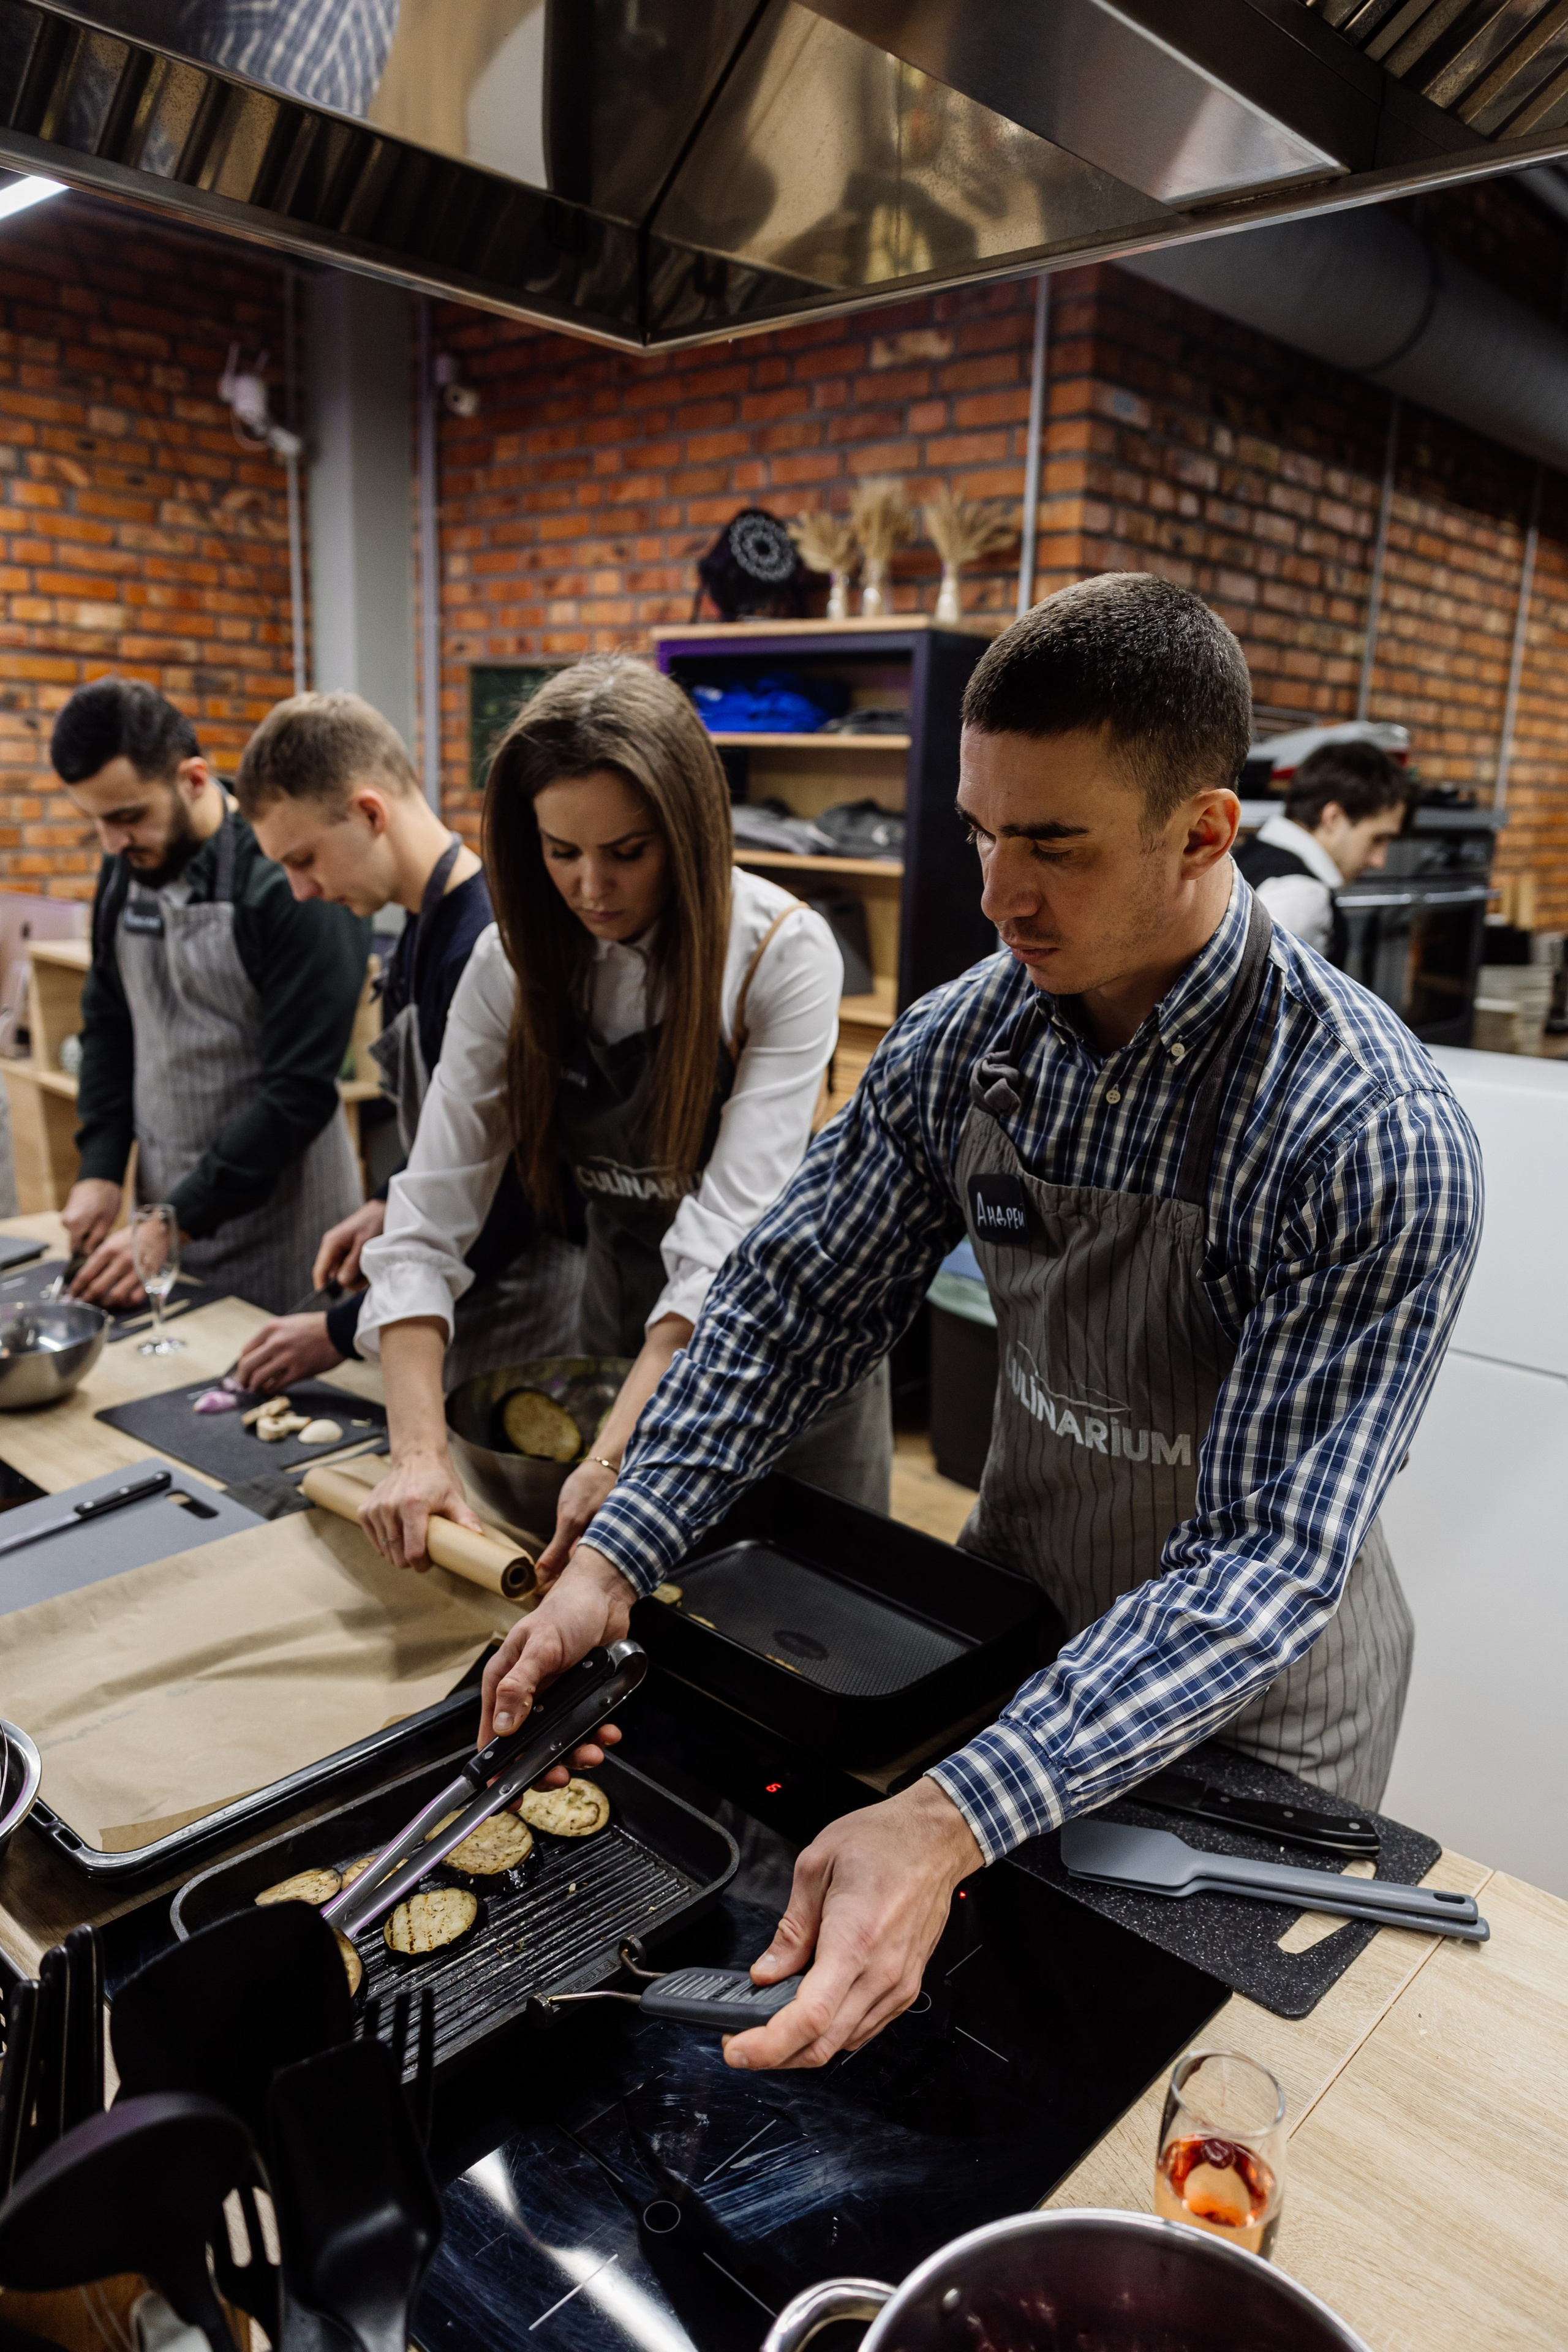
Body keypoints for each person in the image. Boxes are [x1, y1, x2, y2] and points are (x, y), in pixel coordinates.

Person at [477, 575, 1482, 2073]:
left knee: (1171, 2094)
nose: (999, 892)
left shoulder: (1359, 1132)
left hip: (1255, 1714)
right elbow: (791, 1302)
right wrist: (619, 1551)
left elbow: (1263, 1559)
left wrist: (949, 1810)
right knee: (986, 2057)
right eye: (978, 831)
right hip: (1016, 1628)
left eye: (1053, 842)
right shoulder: (973, 1036)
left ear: (1203, 830)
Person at [355, 655, 893, 1574]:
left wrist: (613, 1459)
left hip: (785, 1345)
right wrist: (417, 1455)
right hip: (621, 1328)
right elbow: (423, 1226)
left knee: (801, 1617)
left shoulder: (779, 954)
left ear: (686, 832)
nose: (592, 887)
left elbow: (721, 1248)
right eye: (561, 853)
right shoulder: (510, 964)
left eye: (627, 852)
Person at [226, 692, 582, 1395]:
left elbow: (515, 1199)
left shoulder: (483, 945)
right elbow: (465, 1138)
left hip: (521, 1312)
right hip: (460, 1303)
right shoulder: (422, 926)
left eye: (303, 859)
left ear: (368, 813)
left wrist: (340, 1329)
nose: (299, 891)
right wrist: (391, 1202)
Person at [53, 678, 370, 1314]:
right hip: (165, 1219)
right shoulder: (125, 870)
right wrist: (100, 1167)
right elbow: (109, 1025)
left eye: (128, 816)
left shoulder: (287, 879)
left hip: (285, 1225)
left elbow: (297, 1091)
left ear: (194, 779)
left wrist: (177, 1219)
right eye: (96, 822)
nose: (112, 843)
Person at [1233, 739, 1408, 957]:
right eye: (1377, 839)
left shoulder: (1258, 852)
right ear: (1333, 818)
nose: (1379, 861)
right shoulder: (1302, 895)